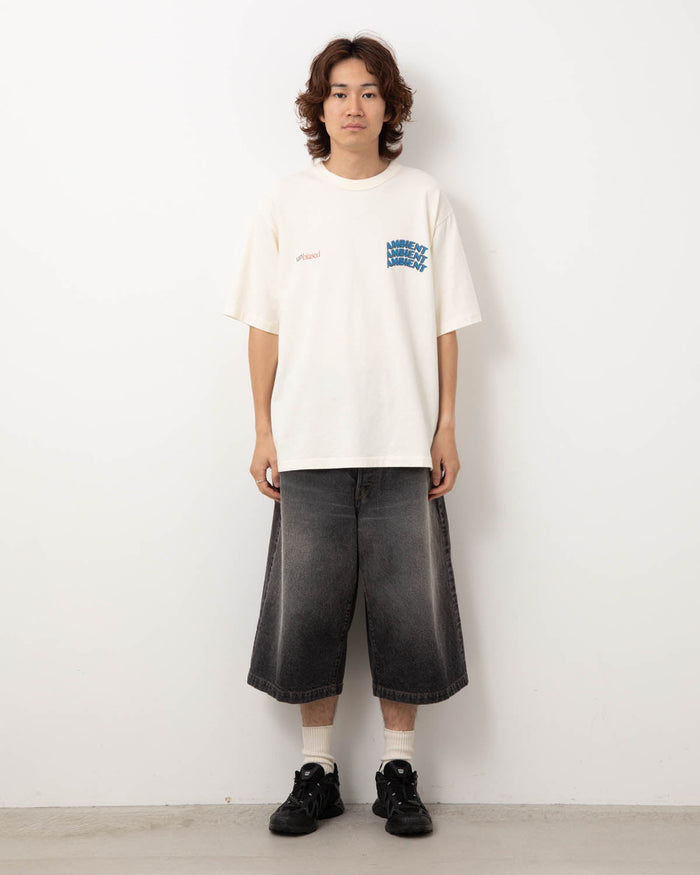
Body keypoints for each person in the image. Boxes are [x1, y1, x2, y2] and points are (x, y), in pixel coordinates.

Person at [223, 33, 482, 837]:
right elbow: (263, 325)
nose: (353, 106)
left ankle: (399, 769)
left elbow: (445, 324)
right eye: (339, 92)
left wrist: (446, 424)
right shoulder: (285, 202)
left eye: (369, 91)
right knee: (307, 611)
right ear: (319, 106)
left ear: (390, 105)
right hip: (308, 442)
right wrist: (263, 428)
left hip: (405, 442)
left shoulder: (423, 199)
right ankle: (318, 770)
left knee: (409, 610)